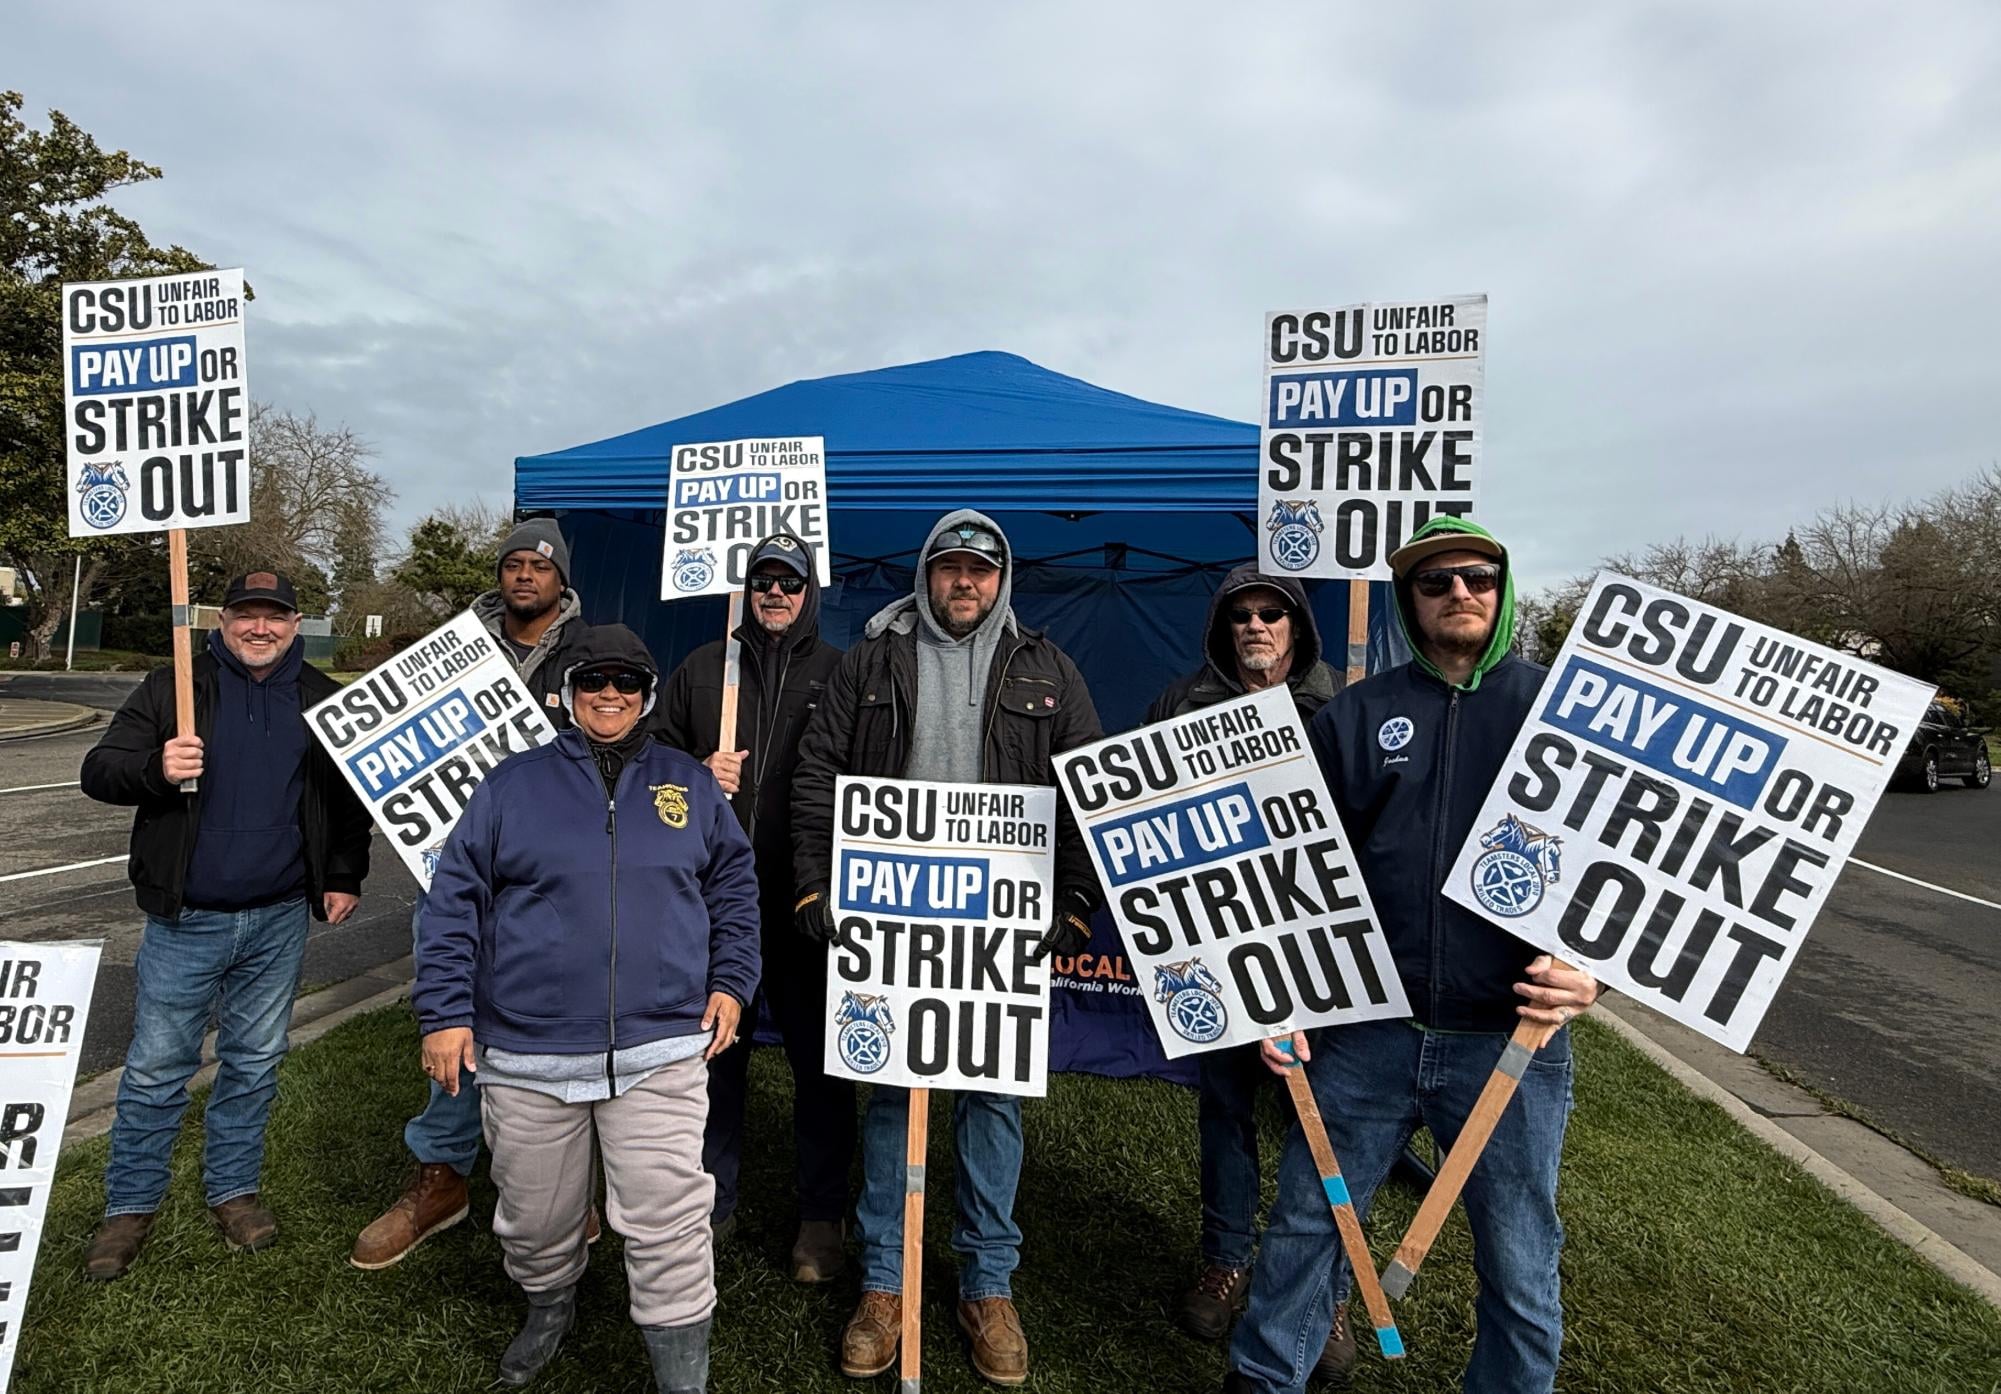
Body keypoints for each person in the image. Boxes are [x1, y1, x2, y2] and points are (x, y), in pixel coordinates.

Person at [1224, 518, 1603, 1394]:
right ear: (1408, 602)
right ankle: (1264, 1379)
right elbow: (1292, 868)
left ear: (1502, 591)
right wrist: (1278, 997)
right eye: (1435, 583)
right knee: (1306, 1226)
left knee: (1517, 1249)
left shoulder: (1563, 716)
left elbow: (1627, 870)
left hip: (1509, 1038)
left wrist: (1593, 974)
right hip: (1366, 1028)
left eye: (1475, 577)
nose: (1457, 594)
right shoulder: (1356, 714)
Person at [791, 510, 1104, 1387]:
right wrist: (815, 881)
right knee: (892, 1096)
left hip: (1001, 926)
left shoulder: (1047, 667)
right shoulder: (872, 659)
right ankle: (885, 1283)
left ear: (1002, 580)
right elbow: (819, 771)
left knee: (993, 1104)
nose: (964, 583)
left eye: (981, 570)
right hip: (895, 922)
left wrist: (1074, 903)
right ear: (925, 575)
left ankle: (987, 1285)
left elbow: (1083, 785)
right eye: (950, 568)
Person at [413, 624, 760, 1392]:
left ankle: (682, 1374)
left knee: (670, 1220)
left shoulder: (690, 783)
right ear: (566, 693)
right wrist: (443, 1013)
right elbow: (453, 901)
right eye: (594, 679)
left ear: (647, 695)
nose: (611, 693)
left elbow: (733, 886)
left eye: (627, 681)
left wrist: (733, 981)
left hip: (662, 1046)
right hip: (528, 1052)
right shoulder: (510, 784)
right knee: (534, 1221)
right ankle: (548, 1306)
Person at [79, 571, 373, 1280]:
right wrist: (156, 766)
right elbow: (100, 769)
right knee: (155, 1069)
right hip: (188, 920)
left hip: (276, 920)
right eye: (247, 615)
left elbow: (347, 800)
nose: (260, 628)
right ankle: (130, 1205)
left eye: (275, 617)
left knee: (254, 1061)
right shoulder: (177, 687)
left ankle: (234, 1191)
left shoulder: (321, 702)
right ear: (223, 619)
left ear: (297, 624)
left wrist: (342, 875)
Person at [352, 516, 592, 1270]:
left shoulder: (591, 657)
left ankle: (569, 1188)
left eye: (540, 566)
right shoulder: (448, 650)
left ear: (562, 580)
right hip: (452, 874)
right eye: (514, 563)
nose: (525, 575)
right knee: (449, 1020)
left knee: (556, 1023)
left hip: (550, 881)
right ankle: (442, 1173)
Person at [1147, 569, 1346, 1372]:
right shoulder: (1178, 705)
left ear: (1297, 626)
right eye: (1241, 615)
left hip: (1320, 949)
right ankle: (1225, 1260)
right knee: (1225, 1111)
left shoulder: (1342, 710)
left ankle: (1317, 1292)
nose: (1255, 625)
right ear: (1222, 628)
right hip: (1219, 943)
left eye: (1272, 613)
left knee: (1321, 1123)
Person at [651, 533, 853, 1278]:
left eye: (789, 582)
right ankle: (710, 1200)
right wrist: (692, 771)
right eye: (763, 580)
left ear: (809, 593)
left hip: (805, 905)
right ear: (747, 589)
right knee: (712, 1059)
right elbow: (647, 768)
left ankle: (821, 1217)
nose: (775, 592)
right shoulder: (704, 669)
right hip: (711, 907)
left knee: (822, 1068)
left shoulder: (841, 673)